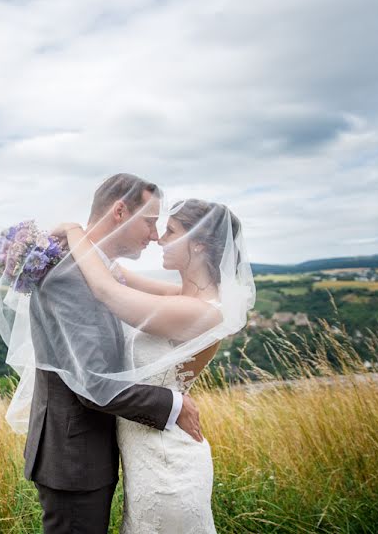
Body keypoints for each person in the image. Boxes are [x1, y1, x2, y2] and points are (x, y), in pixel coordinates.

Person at [50, 198, 253, 533]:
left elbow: (107, 291)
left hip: (169, 467)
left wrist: (73, 230)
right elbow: (116, 274)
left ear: (199, 244)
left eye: (171, 231)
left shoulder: (203, 311)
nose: (160, 238)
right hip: (146, 456)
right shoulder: (181, 296)